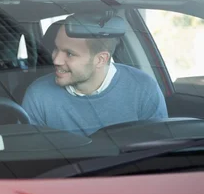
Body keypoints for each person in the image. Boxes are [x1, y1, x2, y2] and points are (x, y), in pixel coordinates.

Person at [22, 14, 168, 136]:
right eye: (56, 48)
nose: (56, 59)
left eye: (69, 54)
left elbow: (158, 151)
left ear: (100, 59)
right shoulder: (38, 95)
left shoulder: (144, 89)